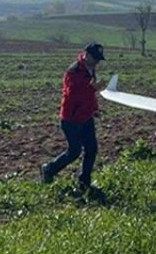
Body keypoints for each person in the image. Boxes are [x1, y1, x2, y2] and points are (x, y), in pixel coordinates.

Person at [42, 42, 107, 190]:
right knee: (74, 151)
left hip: (86, 116)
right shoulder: (74, 71)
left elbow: (89, 97)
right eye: (95, 58)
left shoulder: (90, 69)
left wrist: (94, 109)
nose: (97, 61)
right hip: (71, 118)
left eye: (99, 59)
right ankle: (49, 169)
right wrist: (92, 88)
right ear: (87, 55)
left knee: (91, 149)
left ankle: (84, 183)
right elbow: (73, 94)